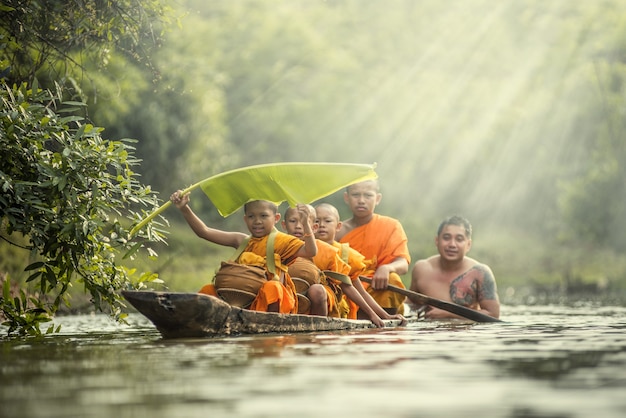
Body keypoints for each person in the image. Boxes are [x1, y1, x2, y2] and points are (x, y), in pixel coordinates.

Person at [170, 190, 317, 314]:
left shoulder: (283, 241)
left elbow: (310, 251)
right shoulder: (241, 240)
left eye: (263, 216)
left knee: (273, 287)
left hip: (273, 305)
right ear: (245, 220)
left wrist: (305, 224)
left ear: (276, 218)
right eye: (251, 216)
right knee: (208, 290)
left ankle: (271, 325)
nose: (257, 221)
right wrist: (184, 208)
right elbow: (204, 232)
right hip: (241, 299)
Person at [315, 203, 405, 325]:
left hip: (339, 307)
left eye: (327, 221)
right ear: (310, 225)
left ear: (338, 226)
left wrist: (383, 315)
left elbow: (360, 291)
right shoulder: (303, 249)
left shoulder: (345, 254)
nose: (321, 225)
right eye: (316, 221)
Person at [336, 179, 410, 316]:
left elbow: (403, 263)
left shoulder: (391, 226)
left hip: (377, 285)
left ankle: (387, 319)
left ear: (377, 198)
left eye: (368, 195)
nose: (361, 200)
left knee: (393, 279)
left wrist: (387, 268)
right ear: (347, 198)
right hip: (349, 288)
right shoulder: (337, 231)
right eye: (356, 195)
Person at [408, 215, 500, 319]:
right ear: (437, 241)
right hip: (430, 332)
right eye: (446, 238)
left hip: (467, 332)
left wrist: (449, 314)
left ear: (468, 244)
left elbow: (493, 315)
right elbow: (410, 305)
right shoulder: (422, 269)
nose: (452, 244)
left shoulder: (480, 273)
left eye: (459, 239)